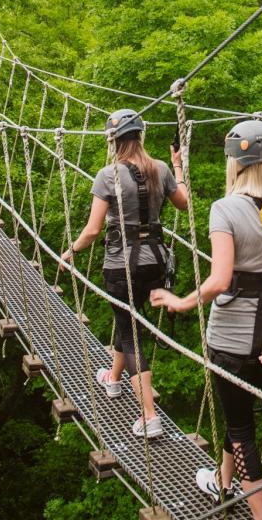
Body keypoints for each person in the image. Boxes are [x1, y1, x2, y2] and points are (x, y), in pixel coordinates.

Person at [152, 120, 262, 519]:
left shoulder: (225, 209)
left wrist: (182, 301)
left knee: (242, 434)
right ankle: (222, 486)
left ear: (235, 162)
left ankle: (257, 514)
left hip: (233, 342)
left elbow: (220, 280)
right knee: (238, 414)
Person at [67, 109, 188, 439]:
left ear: (114, 141)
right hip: (156, 265)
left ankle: (149, 416)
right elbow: (184, 204)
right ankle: (114, 379)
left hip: (121, 267)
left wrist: (71, 251)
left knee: (129, 332)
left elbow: (93, 230)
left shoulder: (107, 175)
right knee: (127, 324)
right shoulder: (161, 169)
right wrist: (178, 166)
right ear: (140, 136)